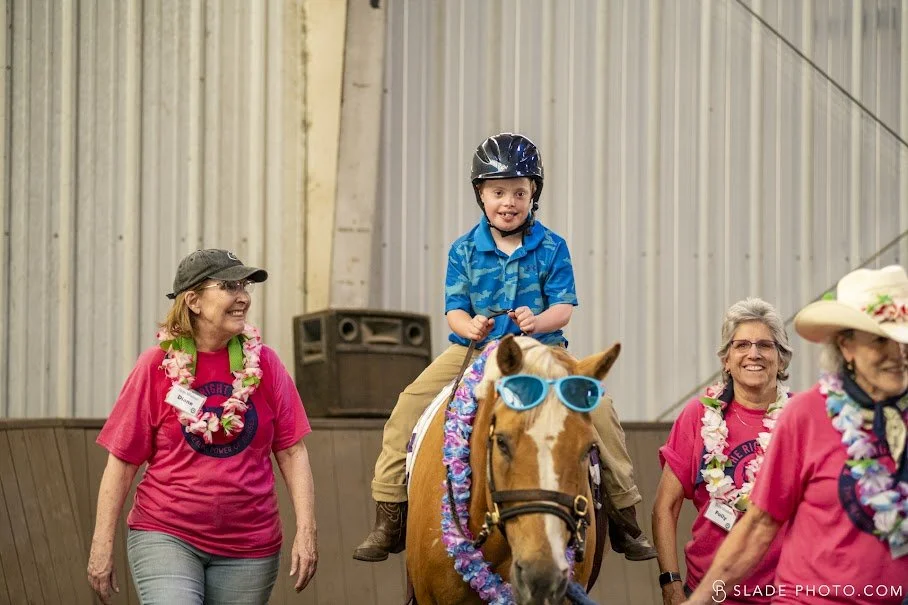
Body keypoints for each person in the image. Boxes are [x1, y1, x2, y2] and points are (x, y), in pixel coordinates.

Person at [352, 132, 656, 563]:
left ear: (534, 194)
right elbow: (453, 310)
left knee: (601, 409)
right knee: (407, 405)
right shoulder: (463, 250)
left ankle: (625, 517)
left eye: (519, 192)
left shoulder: (552, 247)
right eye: (498, 192)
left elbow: (565, 306)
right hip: (475, 353)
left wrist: (538, 320)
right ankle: (391, 516)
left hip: (542, 351)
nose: (508, 202)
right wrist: (470, 326)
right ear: (481, 194)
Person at [87, 249, 318, 605]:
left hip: (250, 546)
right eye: (228, 286)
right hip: (167, 533)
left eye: (244, 286)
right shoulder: (157, 366)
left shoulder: (266, 365)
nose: (242, 297)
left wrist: (306, 530)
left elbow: (291, 450)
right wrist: (102, 544)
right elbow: (122, 461)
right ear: (193, 300)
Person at [683, 265, 908, 605]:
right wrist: (699, 600)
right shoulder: (806, 415)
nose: (898, 354)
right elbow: (759, 525)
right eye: (880, 340)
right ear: (846, 346)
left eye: (904, 340)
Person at [653, 298, 793, 604]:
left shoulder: (801, 418)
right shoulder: (698, 416)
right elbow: (666, 506)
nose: (753, 354)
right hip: (707, 593)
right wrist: (671, 584)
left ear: (781, 359)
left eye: (765, 346)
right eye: (741, 345)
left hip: (787, 594)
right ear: (726, 360)